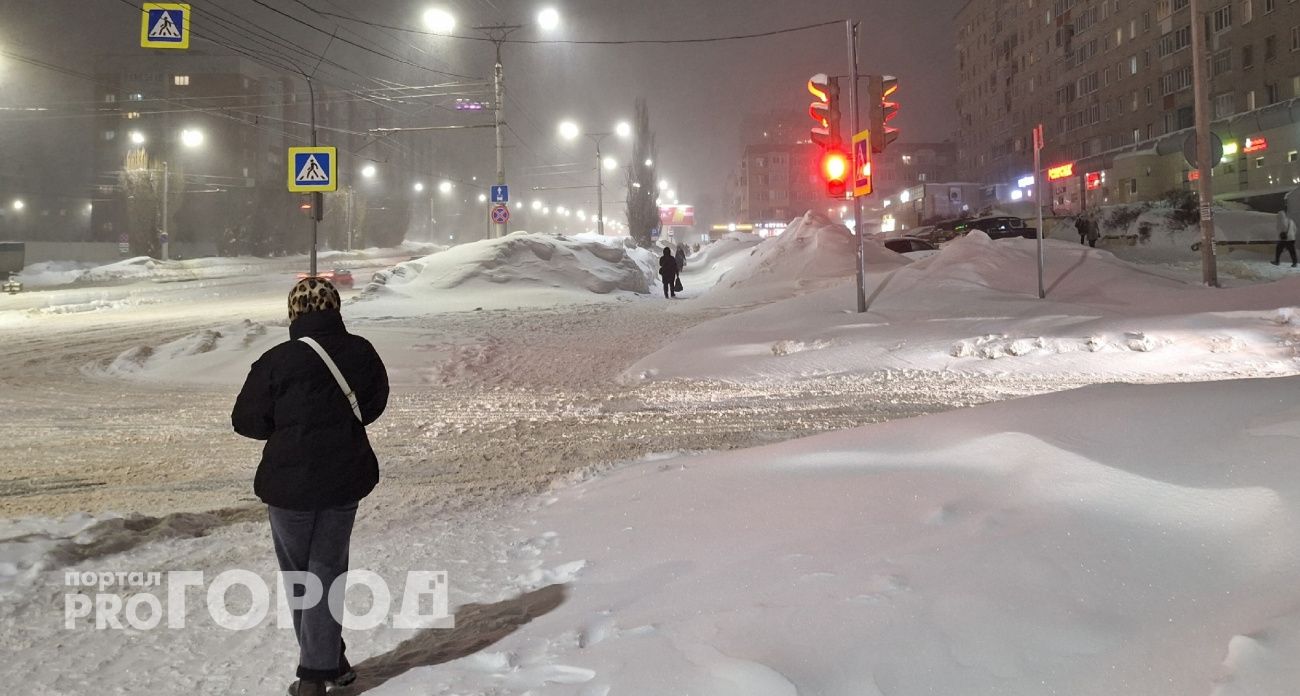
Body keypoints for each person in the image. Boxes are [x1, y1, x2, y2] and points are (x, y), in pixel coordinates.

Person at [232, 277, 389, 696]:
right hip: (344, 479)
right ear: (335, 309)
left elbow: (246, 421)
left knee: (301, 574)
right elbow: (372, 407)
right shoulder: (361, 352)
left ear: (293, 313)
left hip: (288, 487)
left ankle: (313, 676)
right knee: (328, 568)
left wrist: (287, 428)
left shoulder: (275, 361)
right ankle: (331, 661)